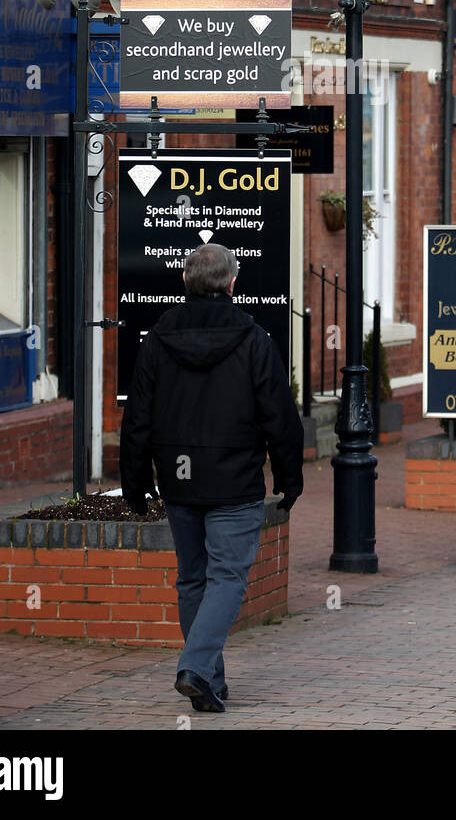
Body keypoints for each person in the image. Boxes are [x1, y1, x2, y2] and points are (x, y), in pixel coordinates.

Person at [120, 243, 304, 714]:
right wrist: (289, 476)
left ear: (184, 280)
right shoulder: (254, 339)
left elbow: (137, 417)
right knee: (227, 578)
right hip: (235, 480)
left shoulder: (157, 339)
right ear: (232, 283)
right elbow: (279, 415)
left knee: (192, 579)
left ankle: (209, 681)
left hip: (179, 477)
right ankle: (197, 668)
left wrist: (135, 481)